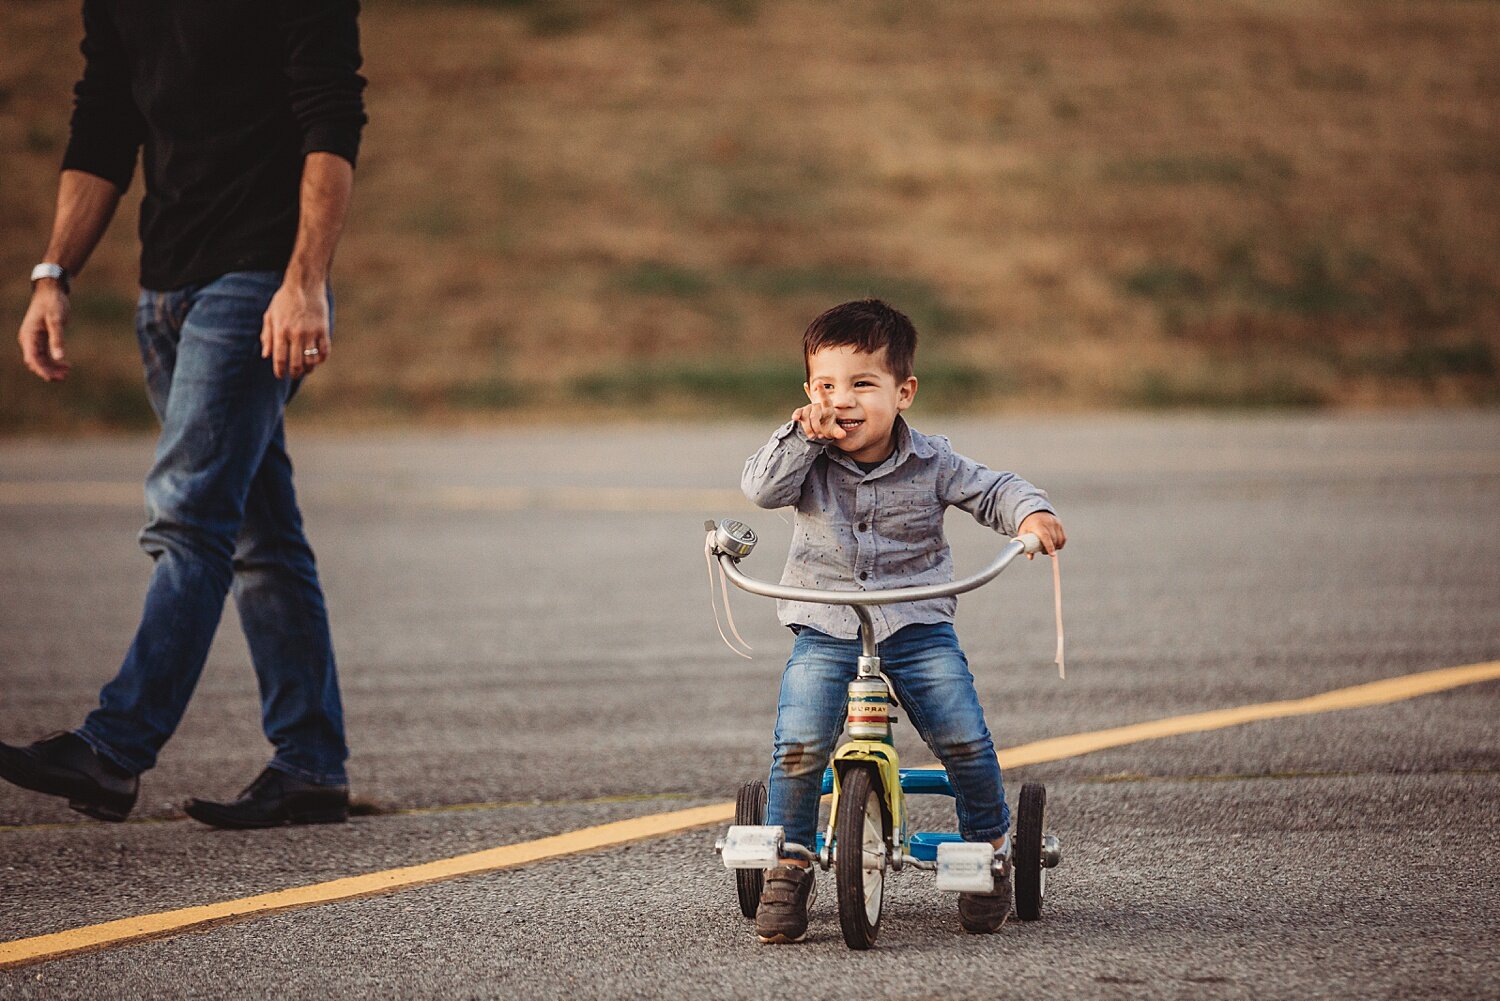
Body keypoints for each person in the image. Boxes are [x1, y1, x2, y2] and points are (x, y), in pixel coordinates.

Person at [2, 0, 368, 829]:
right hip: (165, 285)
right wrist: (52, 273)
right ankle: (310, 761)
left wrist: (304, 283)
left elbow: (332, 123)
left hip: (258, 286)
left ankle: (115, 746)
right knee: (259, 532)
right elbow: (103, 124)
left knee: (190, 516)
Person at [740, 298, 1067, 941]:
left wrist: (1031, 515)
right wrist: (801, 434)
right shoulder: (806, 457)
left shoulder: (934, 461)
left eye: (863, 384)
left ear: (904, 391)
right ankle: (789, 863)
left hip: (915, 622)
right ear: (809, 394)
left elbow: (994, 488)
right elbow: (761, 488)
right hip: (826, 622)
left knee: (963, 736)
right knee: (800, 743)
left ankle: (990, 851)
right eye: (827, 387)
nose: (844, 401)